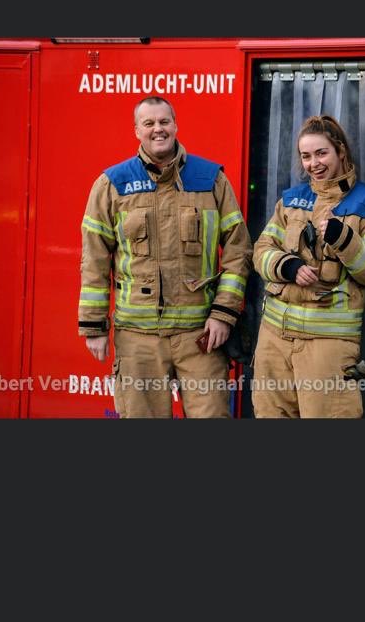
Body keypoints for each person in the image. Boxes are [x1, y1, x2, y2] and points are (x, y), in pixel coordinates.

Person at [78, 96, 253, 418]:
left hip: (201, 335)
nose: (158, 129)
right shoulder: (113, 184)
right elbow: (94, 259)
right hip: (138, 339)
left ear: (175, 125)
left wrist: (223, 314)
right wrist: (94, 327)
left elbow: (238, 249)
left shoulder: (210, 178)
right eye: (149, 123)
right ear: (136, 131)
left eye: (164, 122)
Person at [252, 114, 365, 418]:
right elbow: (261, 250)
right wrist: (287, 266)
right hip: (274, 339)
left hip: (328, 346)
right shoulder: (291, 200)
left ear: (341, 151)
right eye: (306, 156)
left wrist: (345, 239)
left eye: (321, 153)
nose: (314, 163)